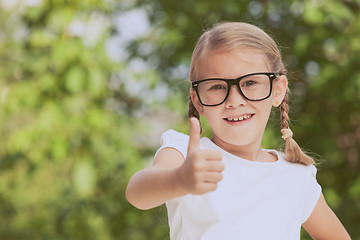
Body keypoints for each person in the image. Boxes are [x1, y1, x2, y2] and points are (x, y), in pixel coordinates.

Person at [126, 22, 350, 239]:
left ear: (277, 90)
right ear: (198, 101)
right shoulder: (185, 155)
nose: (234, 100)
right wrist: (179, 180)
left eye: (250, 83)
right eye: (217, 86)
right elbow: (137, 193)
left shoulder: (297, 177)